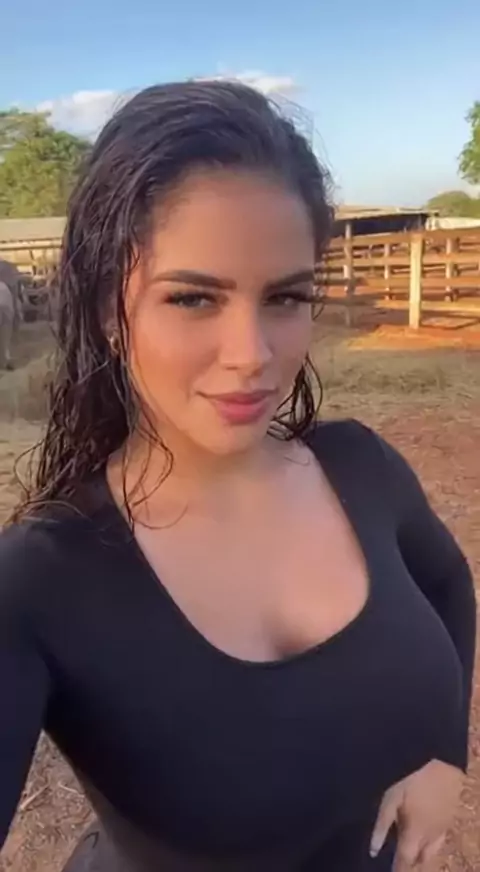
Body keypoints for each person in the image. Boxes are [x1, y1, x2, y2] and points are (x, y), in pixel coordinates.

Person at [0, 81, 476, 872]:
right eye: (193, 298)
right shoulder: (38, 580)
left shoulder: (362, 466)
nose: (251, 354)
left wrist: (444, 754)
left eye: (285, 296)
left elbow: (450, 582)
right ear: (110, 311)